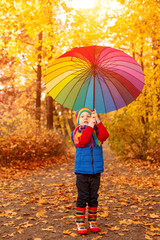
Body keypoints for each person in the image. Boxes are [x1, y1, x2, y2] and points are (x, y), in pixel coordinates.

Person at [71, 107, 109, 235]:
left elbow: (105, 136)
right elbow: (83, 141)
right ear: (78, 121)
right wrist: (91, 125)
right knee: (83, 196)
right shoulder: (76, 133)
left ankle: (93, 221)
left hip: (95, 172)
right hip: (82, 172)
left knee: (93, 197)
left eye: (88, 116)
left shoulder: (96, 132)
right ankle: (80, 222)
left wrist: (97, 121)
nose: (86, 118)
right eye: (82, 117)